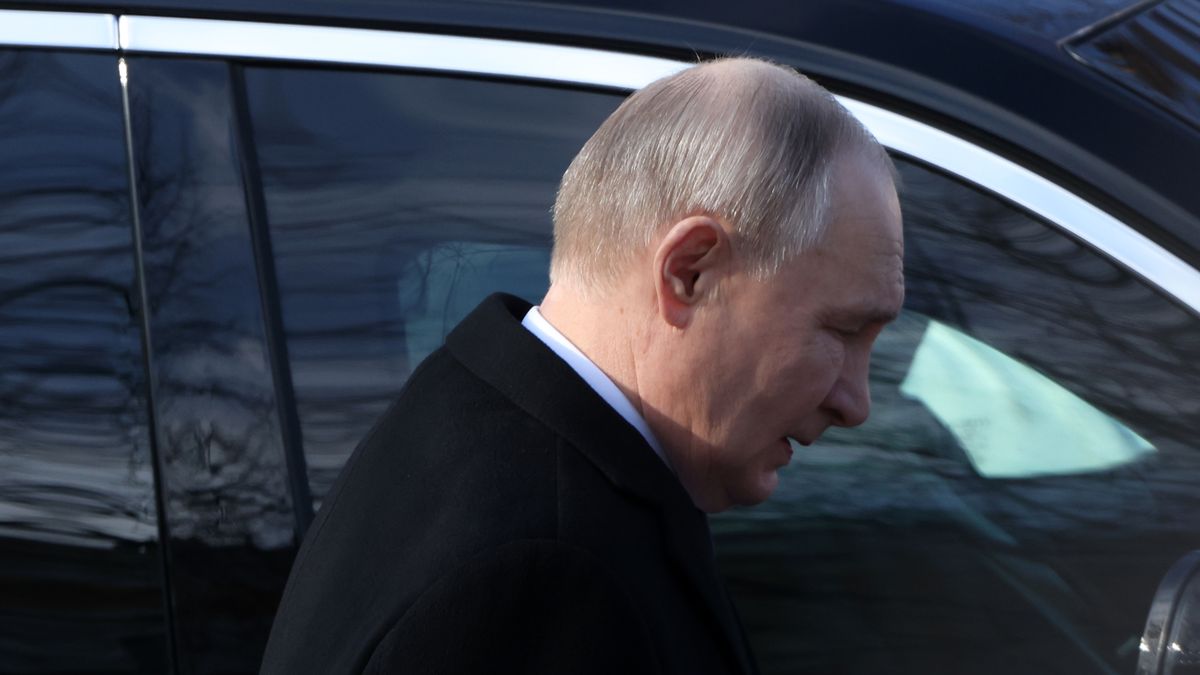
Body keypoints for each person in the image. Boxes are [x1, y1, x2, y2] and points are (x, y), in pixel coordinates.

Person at [260, 57, 903, 675]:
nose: (856, 403)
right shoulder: (544, 579)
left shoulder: (461, 435)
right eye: (842, 330)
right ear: (690, 272)